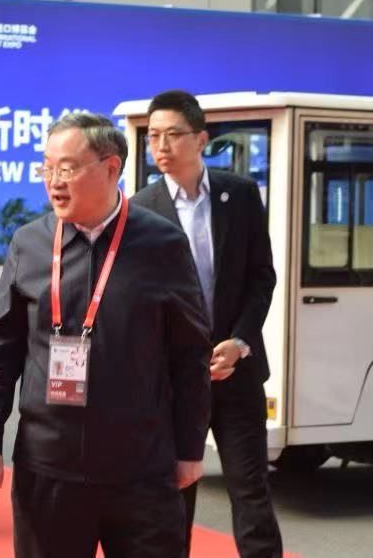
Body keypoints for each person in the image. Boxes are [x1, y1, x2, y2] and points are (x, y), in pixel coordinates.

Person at [0, 113, 212, 557]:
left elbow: (190, 354)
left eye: (67, 168)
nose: (54, 182)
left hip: (141, 468)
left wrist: (190, 447)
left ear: (111, 167)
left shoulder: (162, 244)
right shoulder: (30, 243)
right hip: (49, 467)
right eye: (46, 168)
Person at [132, 89, 281, 558]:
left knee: (250, 489)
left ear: (201, 139)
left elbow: (262, 277)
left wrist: (240, 341)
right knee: (175, 495)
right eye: (154, 136)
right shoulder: (139, 208)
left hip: (236, 371)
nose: (161, 146)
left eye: (173, 135)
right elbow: (139, 301)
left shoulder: (240, 194)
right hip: (174, 381)